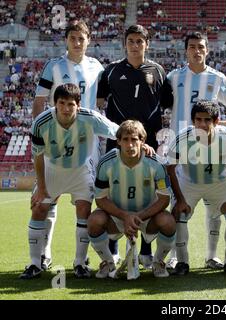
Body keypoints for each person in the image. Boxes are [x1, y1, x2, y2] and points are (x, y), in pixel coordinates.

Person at [19, 83, 119, 279]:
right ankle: (34, 263)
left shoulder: (90, 118)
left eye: (71, 104)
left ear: (78, 105)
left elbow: (120, 131)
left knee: (83, 211)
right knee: (39, 208)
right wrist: (42, 188)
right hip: (52, 169)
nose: (66, 108)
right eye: (61, 103)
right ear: (54, 104)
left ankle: (80, 263)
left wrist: (142, 141)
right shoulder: (41, 123)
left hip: (80, 170)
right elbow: (38, 157)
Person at [31, 20, 104, 272]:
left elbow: (102, 101)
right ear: (66, 40)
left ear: (88, 40)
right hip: (58, 139)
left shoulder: (97, 66)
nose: (76, 42)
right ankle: (43, 254)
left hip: (89, 141)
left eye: (81, 38)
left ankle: (81, 260)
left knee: (84, 200)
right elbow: (40, 100)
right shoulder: (54, 65)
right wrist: (40, 131)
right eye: (72, 38)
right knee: (49, 198)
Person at [160, 32, 226, 270]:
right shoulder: (173, 77)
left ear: (207, 50)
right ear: (186, 50)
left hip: (210, 148)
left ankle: (212, 256)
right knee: (178, 206)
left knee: (213, 209)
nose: (197, 51)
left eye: (201, 47)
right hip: (180, 148)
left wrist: (214, 127)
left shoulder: (218, 77)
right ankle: (175, 257)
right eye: (192, 47)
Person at [97, 24, 167, 269]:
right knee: (116, 190)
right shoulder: (110, 71)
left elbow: (164, 106)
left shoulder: (158, 71)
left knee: (147, 191)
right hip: (118, 142)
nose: (135, 45)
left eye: (140, 41)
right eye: (131, 41)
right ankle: (114, 248)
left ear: (147, 44)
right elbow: (100, 104)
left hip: (148, 143)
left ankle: (146, 249)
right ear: (124, 44)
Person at [88, 120, 176, 279]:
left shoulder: (156, 163)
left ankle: (158, 262)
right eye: (125, 139)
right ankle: (108, 262)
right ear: (118, 141)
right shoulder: (106, 163)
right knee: (94, 220)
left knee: (168, 221)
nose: (130, 145)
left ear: (142, 141)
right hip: (117, 217)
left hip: (147, 218)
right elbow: (100, 200)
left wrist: (137, 217)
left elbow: (164, 200)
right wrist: (125, 216)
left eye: (134, 139)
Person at [166, 100, 226, 275]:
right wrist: (181, 200)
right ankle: (182, 262)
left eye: (207, 120)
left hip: (219, 183)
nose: (202, 124)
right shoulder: (183, 137)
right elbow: (170, 169)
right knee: (179, 214)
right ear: (193, 121)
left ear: (216, 121)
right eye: (198, 120)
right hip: (189, 183)